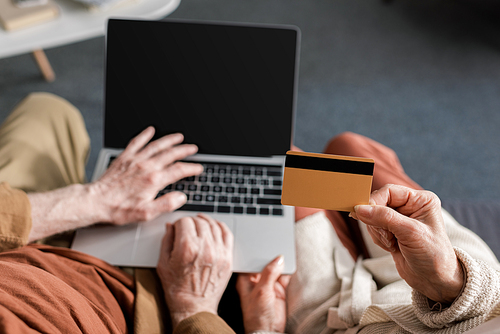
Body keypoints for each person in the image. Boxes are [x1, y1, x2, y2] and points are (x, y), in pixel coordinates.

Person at [1, 93, 500, 334]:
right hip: (365, 306)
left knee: (49, 110)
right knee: (327, 156)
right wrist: (450, 284)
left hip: (29, 233)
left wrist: (87, 201)